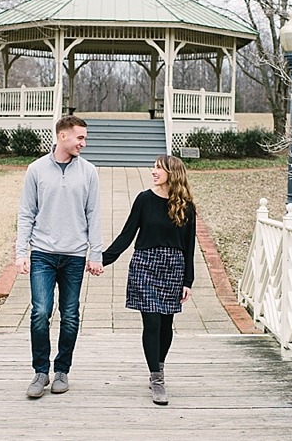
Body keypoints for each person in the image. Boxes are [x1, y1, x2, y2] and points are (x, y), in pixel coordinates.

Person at [16, 115, 103, 398]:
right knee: (40, 312)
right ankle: (40, 372)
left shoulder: (89, 172)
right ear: (62, 136)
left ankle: (62, 370)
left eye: (85, 138)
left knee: (70, 315)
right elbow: (26, 213)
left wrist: (96, 254)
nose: (84, 143)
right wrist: (21, 252)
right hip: (42, 254)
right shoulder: (36, 170)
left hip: (75, 256)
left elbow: (94, 215)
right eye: (80, 138)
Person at [102, 154, 196, 405]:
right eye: (153, 167)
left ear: (172, 173)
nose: (153, 171)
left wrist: (188, 280)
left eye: (158, 168)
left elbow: (189, 245)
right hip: (145, 265)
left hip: (173, 267)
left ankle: (159, 365)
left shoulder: (186, 206)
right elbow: (127, 234)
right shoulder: (144, 199)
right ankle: (157, 379)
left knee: (166, 325)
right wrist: (101, 259)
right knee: (152, 322)